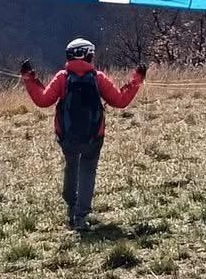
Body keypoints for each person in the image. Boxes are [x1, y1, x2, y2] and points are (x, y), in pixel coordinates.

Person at [20, 39, 147, 232]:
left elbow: (43, 100)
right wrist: (136, 80)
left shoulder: (62, 77)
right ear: (88, 55)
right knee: (88, 171)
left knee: (71, 166)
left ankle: (71, 207)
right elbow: (120, 101)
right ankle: (81, 217)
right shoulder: (98, 78)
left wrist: (29, 78)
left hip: (67, 137)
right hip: (93, 137)